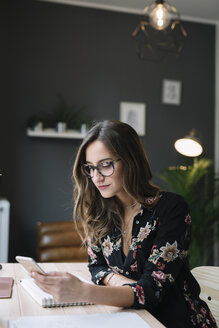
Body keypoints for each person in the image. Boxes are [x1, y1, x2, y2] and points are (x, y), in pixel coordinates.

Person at [32, 120, 217, 328]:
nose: (96, 176)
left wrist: (83, 292)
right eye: (90, 168)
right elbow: (96, 266)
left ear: (131, 160)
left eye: (105, 165)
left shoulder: (171, 209)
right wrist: (121, 282)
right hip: (131, 319)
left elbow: (152, 291)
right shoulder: (100, 212)